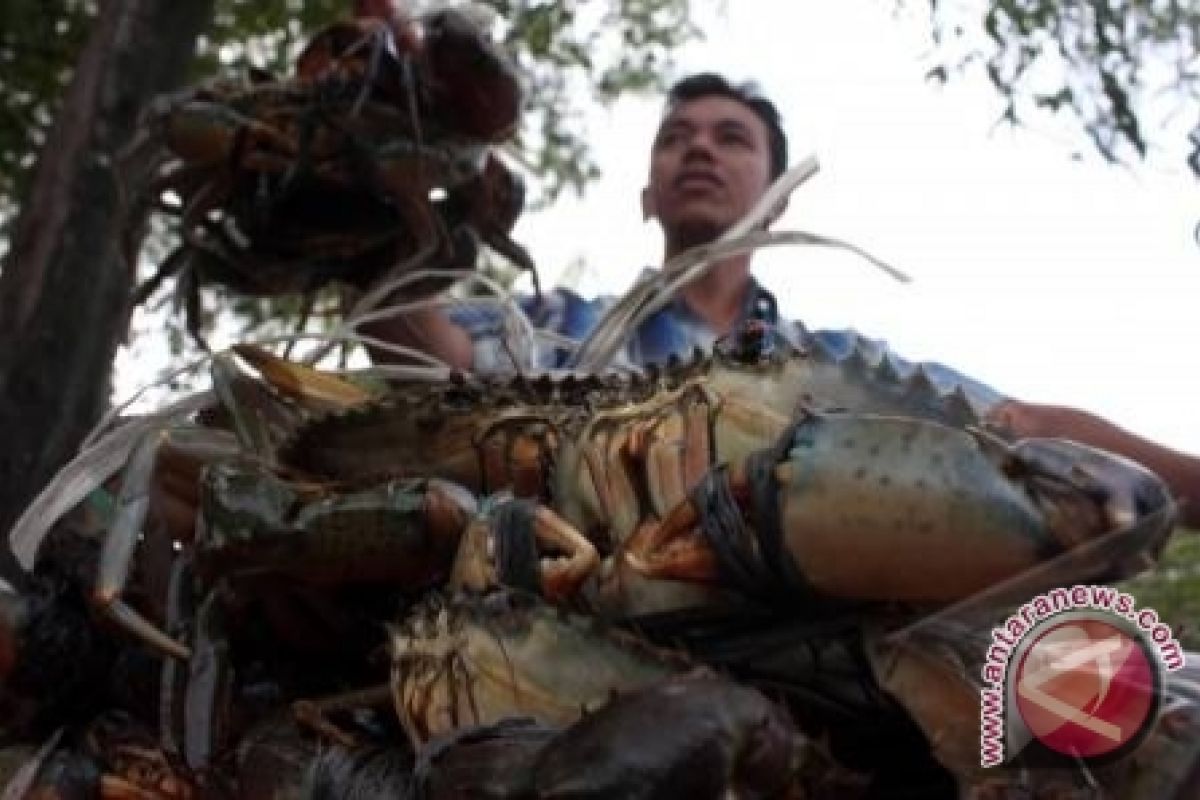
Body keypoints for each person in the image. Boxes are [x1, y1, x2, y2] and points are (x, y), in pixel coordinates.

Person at [366, 72, 1200, 528]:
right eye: (675, 138)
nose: (699, 149)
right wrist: (381, 176)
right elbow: (418, 346)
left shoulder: (832, 367)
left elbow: (1011, 423)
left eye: (732, 138)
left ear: (777, 196)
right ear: (647, 195)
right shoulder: (550, 329)